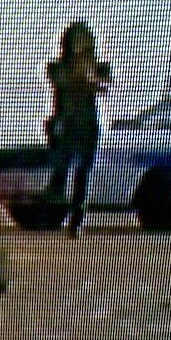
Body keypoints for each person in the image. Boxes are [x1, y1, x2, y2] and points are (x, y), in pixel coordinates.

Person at [44, 21, 112, 239]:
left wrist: (92, 75)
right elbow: (64, 80)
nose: (82, 47)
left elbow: (105, 83)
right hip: (67, 128)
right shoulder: (59, 68)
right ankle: (54, 215)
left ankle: (76, 220)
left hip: (87, 128)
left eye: (85, 42)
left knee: (82, 175)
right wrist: (87, 77)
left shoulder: (96, 68)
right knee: (60, 174)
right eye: (78, 41)